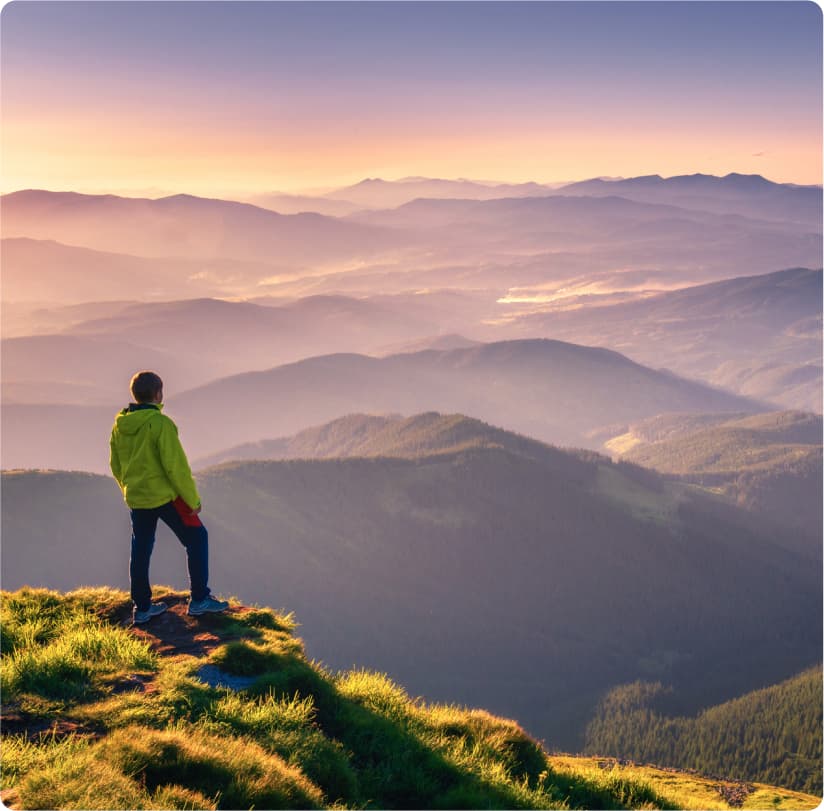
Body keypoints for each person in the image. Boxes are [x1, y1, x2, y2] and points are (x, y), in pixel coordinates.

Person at [109, 370, 228, 623]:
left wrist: (128, 490)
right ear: (158, 394)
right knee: (197, 538)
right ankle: (199, 600)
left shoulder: (120, 426)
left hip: (137, 498)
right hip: (165, 497)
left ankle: (141, 608)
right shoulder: (160, 424)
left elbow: (115, 465)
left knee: (141, 550)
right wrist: (192, 501)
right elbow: (176, 467)